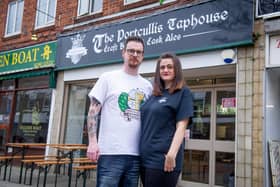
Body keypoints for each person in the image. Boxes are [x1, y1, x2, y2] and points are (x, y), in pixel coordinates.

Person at [87, 36, 152, 187]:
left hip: (136, 155)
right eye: (131, 51)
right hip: (110, 153)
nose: (134, 55)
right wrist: (92, 142)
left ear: (142, 56)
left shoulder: (147, 86)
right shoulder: (108, 78)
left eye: (138, 52)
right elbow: (92, 111)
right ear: (123, 52)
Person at [140, 53, 193, 187]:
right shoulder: (154, 94)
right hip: (145, 158)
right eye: (162, 67)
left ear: (177, 70)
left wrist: (171, 154)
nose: (165, 70)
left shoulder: (183, 93)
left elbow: (182, 126)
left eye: (170, 66)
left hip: (163, 160)